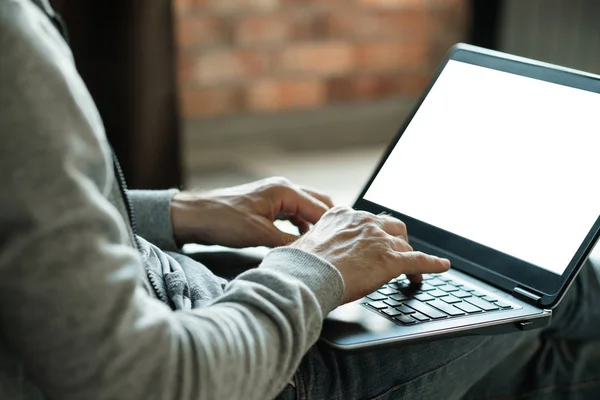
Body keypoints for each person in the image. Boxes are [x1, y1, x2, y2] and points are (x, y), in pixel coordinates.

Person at [1, 1, 600, 399]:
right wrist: (314, 272)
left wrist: (175, 213)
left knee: (529, 346)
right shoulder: (12, 42)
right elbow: (142, 381)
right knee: (549, 292)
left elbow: (24, 221)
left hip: (187, 308)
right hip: (248, 369)